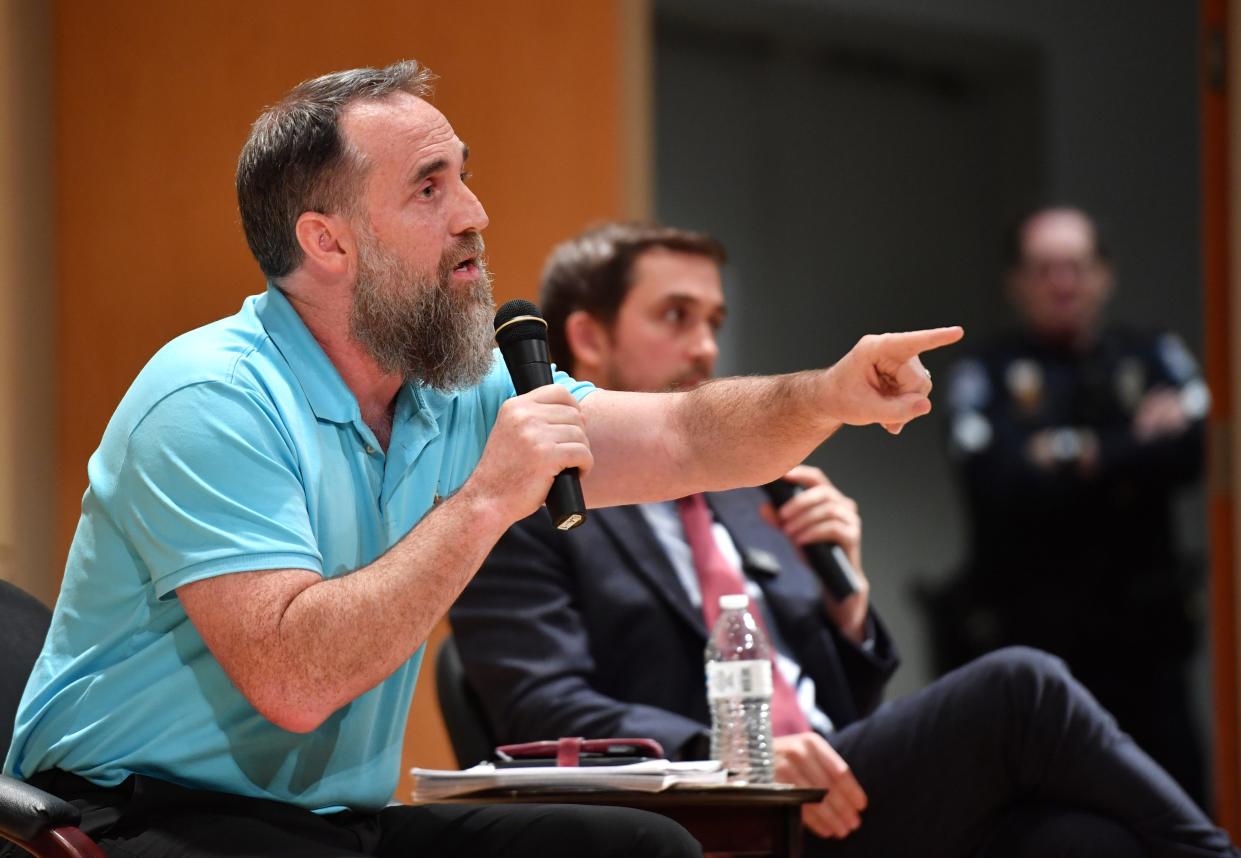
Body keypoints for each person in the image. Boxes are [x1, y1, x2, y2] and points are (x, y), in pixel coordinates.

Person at [0, 62, 962, 858]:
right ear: (326, 240)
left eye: (463, 175)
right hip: (135, 817)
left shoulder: (454, 389)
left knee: (643, 849)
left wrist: (827, 395)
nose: (474, 211)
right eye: (430, 187)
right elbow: (294, 681)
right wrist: (486, 499)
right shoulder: (210, 398)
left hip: (330, 826)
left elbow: (683, 435)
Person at [449, 222, 1239, 857]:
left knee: (1084, 841)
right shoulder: (529, 502)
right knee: (1019, 685)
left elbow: (839, 705)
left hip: (839, 795)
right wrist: (731, 750)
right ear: (586, 336)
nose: (705, 347)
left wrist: (849, 606)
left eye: (714, 322)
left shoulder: (745, 494)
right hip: (713, 815)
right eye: (675, 317)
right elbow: (540, 707)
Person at [933, 205, 1210, 807]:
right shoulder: (986, 371)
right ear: (1017, 282)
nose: (1063, 283)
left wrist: (1070, 456)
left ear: (1104, 274)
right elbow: (997, 479)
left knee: (1178, 820)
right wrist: (1134, 443)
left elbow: (1194, 452)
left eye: (1077, 267)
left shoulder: (1151, 352)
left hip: (1148, 651)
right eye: (1044, 269)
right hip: (1037, 651)